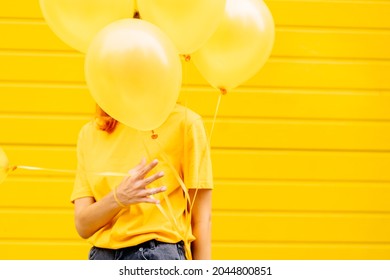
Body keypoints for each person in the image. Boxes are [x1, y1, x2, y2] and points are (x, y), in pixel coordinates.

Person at [70, 103, 213, 260]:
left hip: (156, 255)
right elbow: (83, 226)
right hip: (102, 256)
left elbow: (201, 219)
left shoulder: (185, 123)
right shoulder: (91, 132)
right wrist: (119, 197)